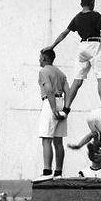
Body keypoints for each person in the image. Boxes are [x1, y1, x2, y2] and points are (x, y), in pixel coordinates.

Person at [34, 48, 70, 182]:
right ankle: (58, 172)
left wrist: (53, 108)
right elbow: (69, 91)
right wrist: (66, 109)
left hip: (50, 103)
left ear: (44, 58)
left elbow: (48, 88)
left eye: (40, 57)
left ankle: (47, 171)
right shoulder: (61, 73)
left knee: (46, 139)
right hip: (61, 102)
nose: (39, 60)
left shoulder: (43, 71)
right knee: (58, 141)